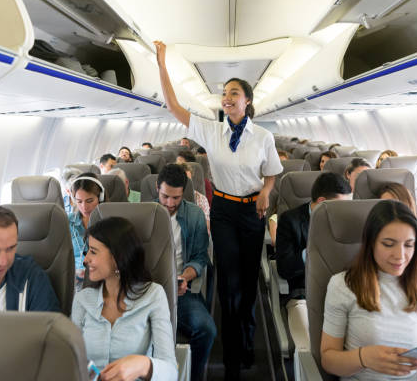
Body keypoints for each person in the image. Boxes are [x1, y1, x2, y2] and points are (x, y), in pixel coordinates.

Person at [155, 40, 283, 379]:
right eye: (224, 93)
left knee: (249, 284)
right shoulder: (211, 131)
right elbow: (172, 105)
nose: (226, 98)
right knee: (229, 284)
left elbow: (271, 174)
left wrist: (266, 192)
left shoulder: (263, 138)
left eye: (234, 93)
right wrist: (162, 65)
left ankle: (246, 337)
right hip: (224, 209)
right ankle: (231, 360)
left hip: (252, 212)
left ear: (247, 101)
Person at [321, 200, 417, 380]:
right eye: (388, 244)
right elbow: (329, 360)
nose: (400, 256)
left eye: (408, 245)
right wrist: (363, 358)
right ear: (371, 243)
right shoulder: (343, 285)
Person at [71, 217, 177, 380]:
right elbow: (70, 361)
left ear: (116, 258)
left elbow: (171, 372)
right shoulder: (82, 299)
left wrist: (143, 365)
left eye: (93, 251)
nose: (85, 260)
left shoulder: (154, 295)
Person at [275, 172, 352, 349]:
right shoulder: (291, 220)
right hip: (303, 293)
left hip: (345, 293)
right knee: (308, 346)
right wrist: (312, 253)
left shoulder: (348, 222)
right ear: (322, 201)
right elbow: (285, 268)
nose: (344, 211)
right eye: (339, 205)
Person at [155, 164, 216, 381]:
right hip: (146, 290)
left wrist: (184, 278)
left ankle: (194, 376)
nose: (170, 203)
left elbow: (200, 258)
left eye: (176, 198)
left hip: (181, 290)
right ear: (157, 189)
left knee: (206, 329)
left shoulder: (195, 215)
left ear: (183, 193)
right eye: (165, 196)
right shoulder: (145, 214)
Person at [67, 172, 106, 284]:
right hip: (75, 279)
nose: (84, 207)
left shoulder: (109, 221)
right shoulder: (67, 222)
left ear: (100, 198)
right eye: (79, 202)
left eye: (89, 201)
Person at [180, 162, 211, 232]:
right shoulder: (169, 198)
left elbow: (206, 228)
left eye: (188, 180)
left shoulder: (200, 199)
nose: (185, 183)